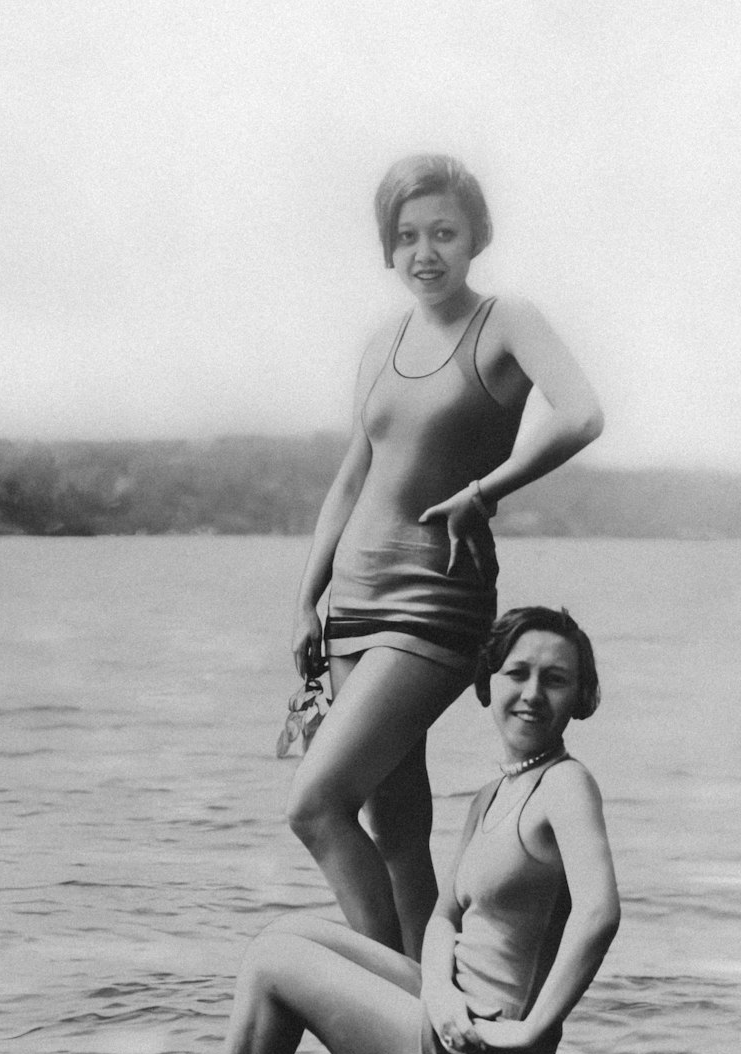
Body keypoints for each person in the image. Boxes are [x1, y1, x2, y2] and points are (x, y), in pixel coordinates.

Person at [151, 607, 619, 1054]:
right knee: (287, 933)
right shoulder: (493, 795)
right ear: (487, 686)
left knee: (273, 961)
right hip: (455, 1025)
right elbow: (444, 919)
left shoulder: (567, 786)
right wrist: (440, 995)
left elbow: (599, 913)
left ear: (581, 698)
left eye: (556, 680)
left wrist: (533, 1031)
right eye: (518, 674)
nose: (532, 694)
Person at [288, 154, 605, 959]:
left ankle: (385, 1002)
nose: (424, 252)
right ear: (387, 248)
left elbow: (582, 415)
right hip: (353, 601)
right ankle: (430, 1020)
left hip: (434, 599)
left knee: (316, 804)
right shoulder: (379, 342)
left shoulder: (506, 321)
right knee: (394, 824)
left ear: (475, 238)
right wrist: (307, 598)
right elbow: (352, 475)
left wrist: (486, 491)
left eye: (443, 233)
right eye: (406, 237)